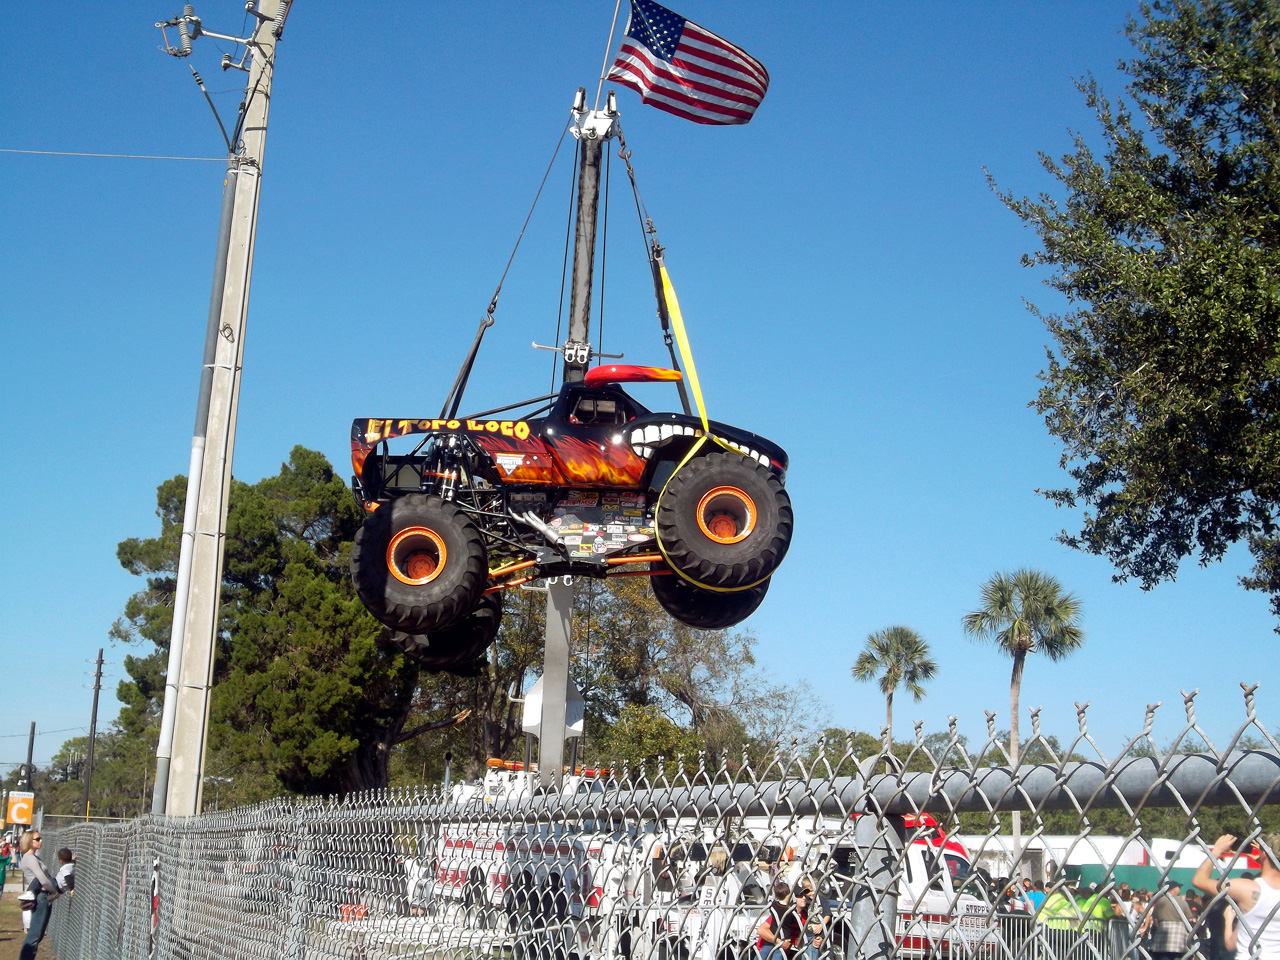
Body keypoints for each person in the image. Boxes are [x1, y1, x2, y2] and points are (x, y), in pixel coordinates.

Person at [1192, 833, 1280, 960]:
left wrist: (1216, 851)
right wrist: (1263, 861)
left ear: (1265, 854)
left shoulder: (1248, 889)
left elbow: (1199, 880)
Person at [19, 830, 60, 960]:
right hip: (40, 897)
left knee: (38, 935)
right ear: (29, 842)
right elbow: (42, 879)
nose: (41, 841)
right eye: (37, 839)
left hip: (42, 895)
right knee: (34, 936)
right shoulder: (29, 858)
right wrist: (55, 892)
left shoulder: (33, 857)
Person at [757, 880, 801, 958]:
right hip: (784, 937)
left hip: (773, 933)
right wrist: (798, 916)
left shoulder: (774, 905)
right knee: (778, 954)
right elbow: (795, 920)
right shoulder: (790, 910)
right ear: (789, 896)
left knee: (764, 951)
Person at [1150, 882, 1192, 960]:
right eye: (1179, 887)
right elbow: (1189, 919)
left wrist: (1159, 928)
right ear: (1175, 890)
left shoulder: (1160, 901)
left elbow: (1155, 918)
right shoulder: (1182, 902)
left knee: (1163, 956)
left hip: (1163, 932)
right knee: (1178, 957)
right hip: (1179, 935)